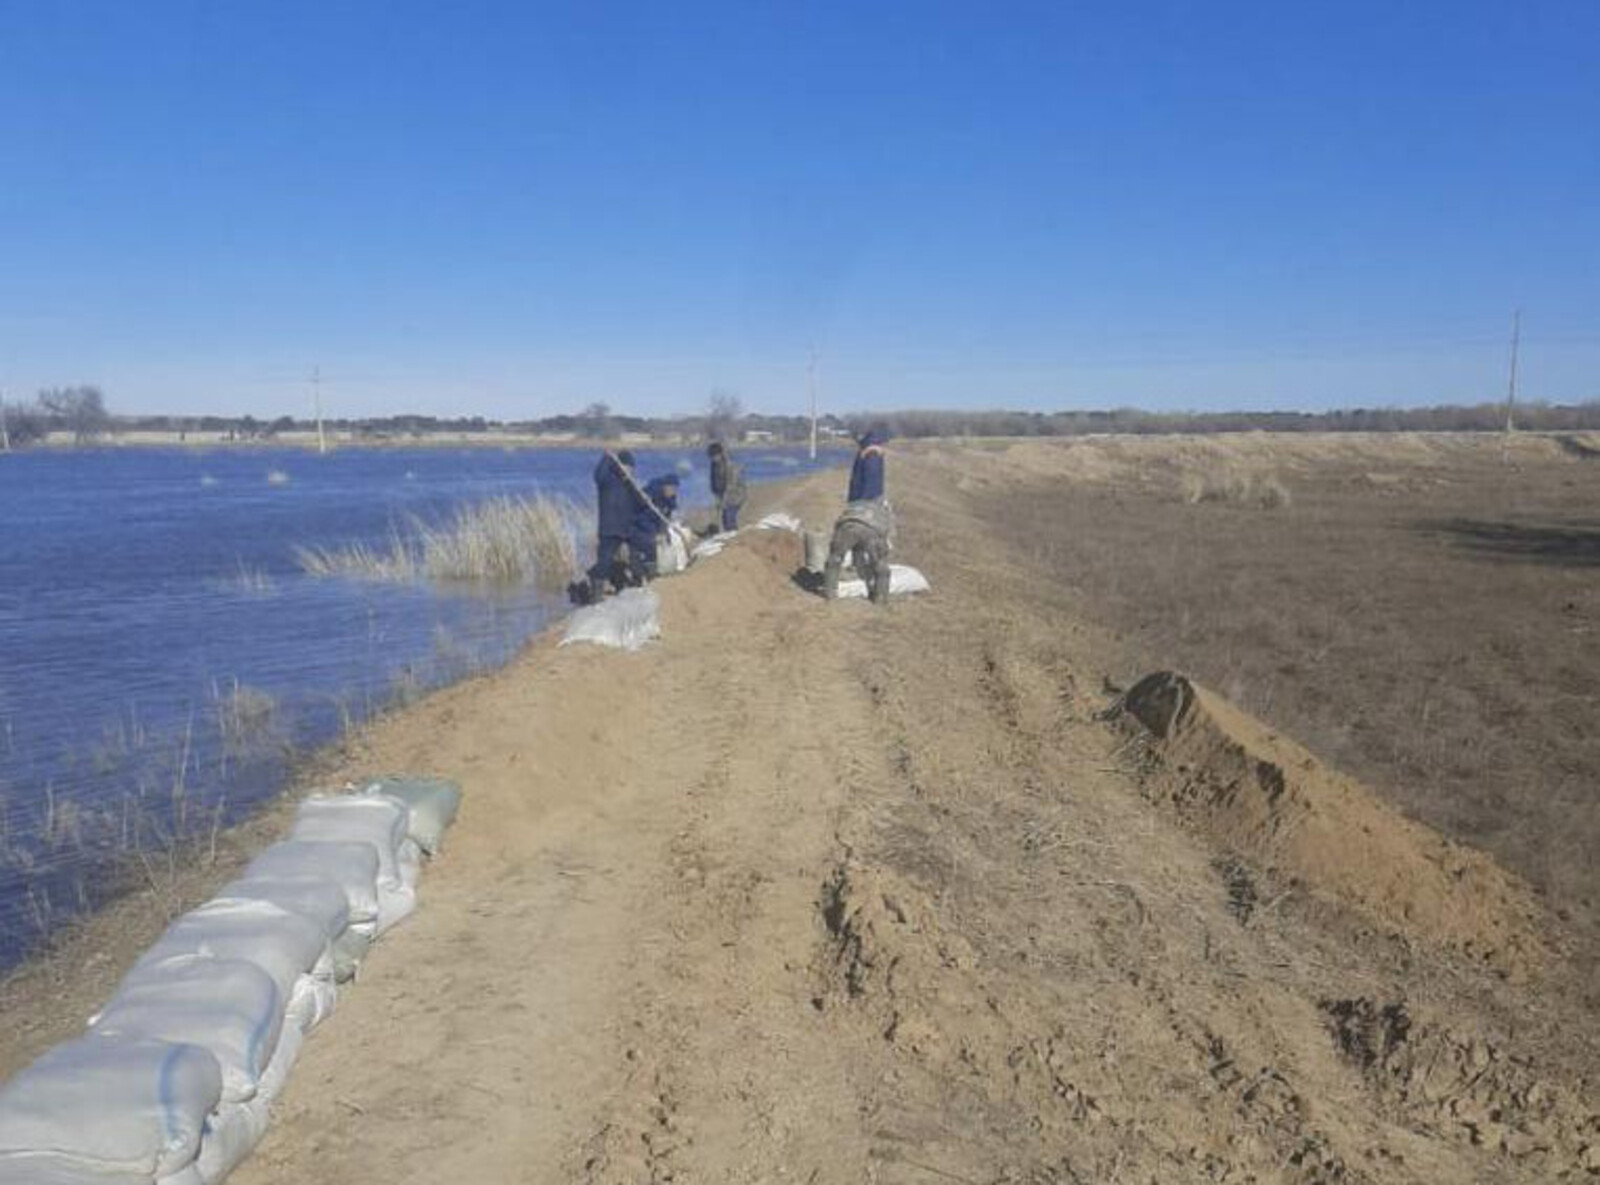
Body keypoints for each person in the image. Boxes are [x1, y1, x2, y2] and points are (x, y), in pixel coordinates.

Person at [825, 428, 893, 604]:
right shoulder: (874, 456)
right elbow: (871, 485)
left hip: (853, 514)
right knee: (881, 564)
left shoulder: (865, 456)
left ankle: (830, 593)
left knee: (835, 559)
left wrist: (857, 503)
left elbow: (861, 483)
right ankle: (881, 597)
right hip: (869, 515)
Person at [584, 449, 644, 601]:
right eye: (626, 467)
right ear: (619, 466)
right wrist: (607, 458)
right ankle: (596, 591)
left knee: (637, 553)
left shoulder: (631, 485)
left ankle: (638, 583)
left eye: (631, 468)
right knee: (605, 561)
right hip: (609, 528)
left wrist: (639, 493)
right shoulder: (608, 481)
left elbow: (641, 504)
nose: (629, 471)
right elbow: (598, 476)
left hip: (628, 527)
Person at [629, 472, 680, 583]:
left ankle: (656, 572)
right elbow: (640, 517)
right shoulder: (649, 495)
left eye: (675, 488)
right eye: (671, 488)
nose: (673, 491)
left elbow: (664, 520)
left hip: (652, 529)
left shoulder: (669, 502)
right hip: (637, 528)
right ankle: (644, 576)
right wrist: (653, 533)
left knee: (664, 545)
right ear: (664, 486)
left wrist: (663, 533)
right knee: (650, 547)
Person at [707, 440, 746, 532]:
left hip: (735, 495)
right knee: (724, 517)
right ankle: (729, 534)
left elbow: (731, 484)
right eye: (711, 456)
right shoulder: (714, 465)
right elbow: (713, 480)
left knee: (729, 517)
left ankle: (733, 536)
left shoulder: (729, 465)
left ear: (720, 454)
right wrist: (716, 494)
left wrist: (723, 500)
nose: (713, 458)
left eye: (714, 456)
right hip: (723, 494)